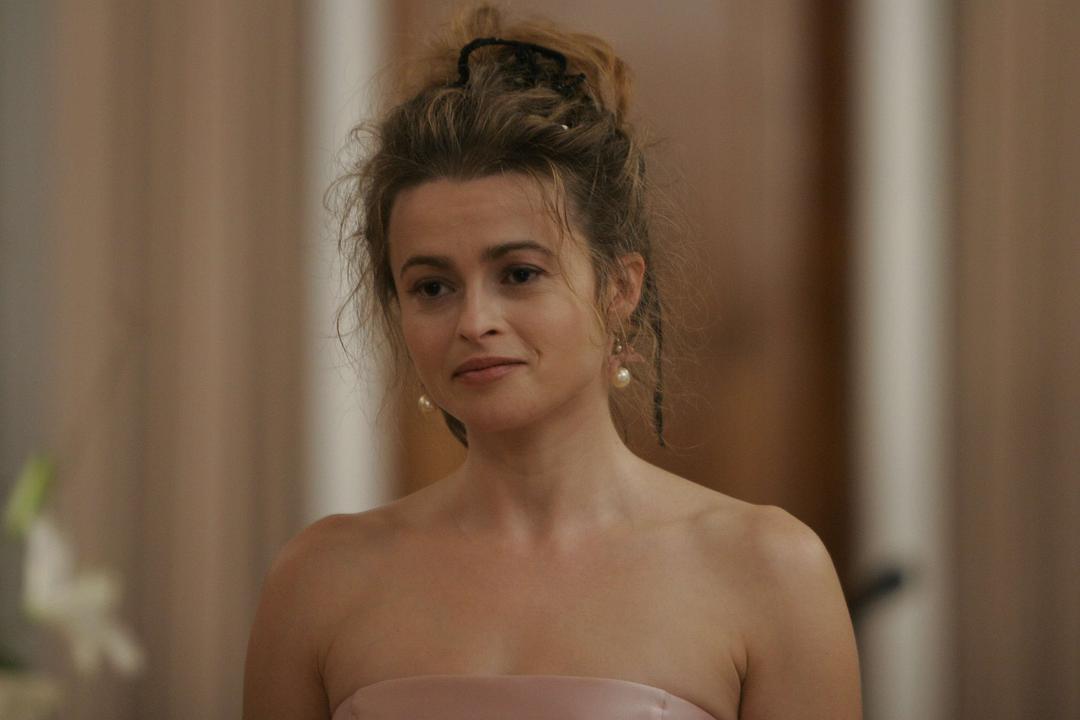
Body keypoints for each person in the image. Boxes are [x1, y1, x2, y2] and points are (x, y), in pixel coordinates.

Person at [242, 6, 862, 720]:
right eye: (433, 287)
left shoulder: (768, 569)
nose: (474, 321)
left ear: (619, 288)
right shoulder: (319, 580)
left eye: (520, 274)